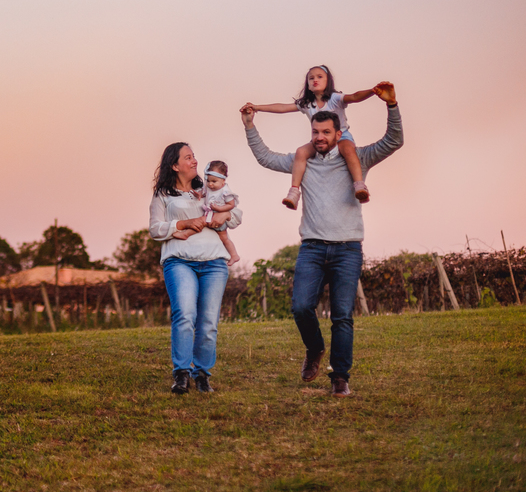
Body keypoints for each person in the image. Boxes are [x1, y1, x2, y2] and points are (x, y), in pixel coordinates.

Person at [240, 82, 402, 397]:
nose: (319, 138)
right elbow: (266, 158)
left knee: (342, 315)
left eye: (326, 132)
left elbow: (394, 140)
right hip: (312, 248)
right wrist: (250, 126)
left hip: (347, 249)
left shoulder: (358, 157)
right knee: (301, 307)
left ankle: (340, 377)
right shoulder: (304, 161)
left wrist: (392, 106)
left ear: (338, 134)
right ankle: (314, 349)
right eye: (315, 132)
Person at [149, 142, 241, 394]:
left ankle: (202, 374)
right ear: (175, 165)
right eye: (188, 158)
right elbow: (155, 228)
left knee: (209, 321)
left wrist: (224, 216)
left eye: (194, 156)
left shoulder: (210, 187)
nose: (194, 161)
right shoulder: (163, 195)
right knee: (185, 315)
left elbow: (237, 214)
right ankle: (181, 373)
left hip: (213, 263)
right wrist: (181, 225)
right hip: (179, 261)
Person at [244, 65, 388, 208]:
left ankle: (359, 186)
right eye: (311, 78)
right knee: (301, 152)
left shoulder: (335, 98)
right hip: (319, 139)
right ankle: (294, 192)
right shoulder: (307, 104)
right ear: (307, 84)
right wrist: (257, 107)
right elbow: (282, 108)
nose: (315, 80)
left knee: (349, 151)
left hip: (341, 135)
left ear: (328, 81)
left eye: (320, 77)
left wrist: (373, 91)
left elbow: (355, 97)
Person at [196, 160, 240, 267]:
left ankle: (234, 255)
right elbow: (204, 193)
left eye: (214, 181)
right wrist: (198, 194)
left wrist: (219, 209)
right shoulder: (209, 188)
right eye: (208, 181)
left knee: (224, 238)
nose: (210, 184)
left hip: (218, 218)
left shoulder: (225, 191)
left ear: (223, 181)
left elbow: (231, 204)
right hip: (210, 215)